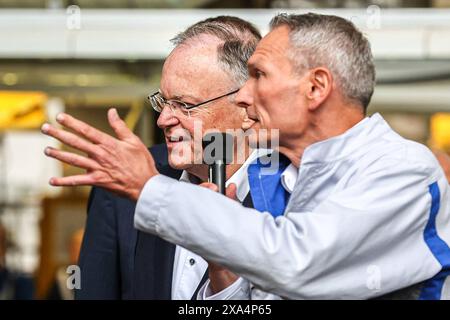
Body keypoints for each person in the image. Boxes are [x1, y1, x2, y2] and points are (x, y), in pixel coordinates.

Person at [42, 13, 450, 299]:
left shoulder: (403, 170)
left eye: (259, 76)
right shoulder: (287, 177)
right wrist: (224, 272)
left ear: (316, 87)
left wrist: (149, 187)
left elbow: (297, 262)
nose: (244, 94)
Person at [72, 16, 268, 299]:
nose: (163, 119)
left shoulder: (291, 190)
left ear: (245, 107)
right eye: (163, 101)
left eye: (185, 105)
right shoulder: (122, 182)